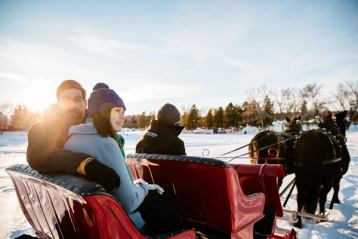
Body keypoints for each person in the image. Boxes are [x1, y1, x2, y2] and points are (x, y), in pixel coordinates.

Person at [63, 84, 184, 234]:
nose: (123, 116)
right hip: (118, 222)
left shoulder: (71, 139)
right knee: (161, 200)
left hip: (90, 216)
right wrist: (144, 185)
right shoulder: (106, 143)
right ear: (104, 112)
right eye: (117, 110)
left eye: (123, 111)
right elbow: (130, 202)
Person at [26, 80, 120, 192]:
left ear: (85, 103)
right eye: (65, 99)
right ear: (58, 103)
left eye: (77, 99)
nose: (72, 104)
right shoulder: (42, 127)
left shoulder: (95, 126)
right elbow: (38, 154)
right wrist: (86, 164)